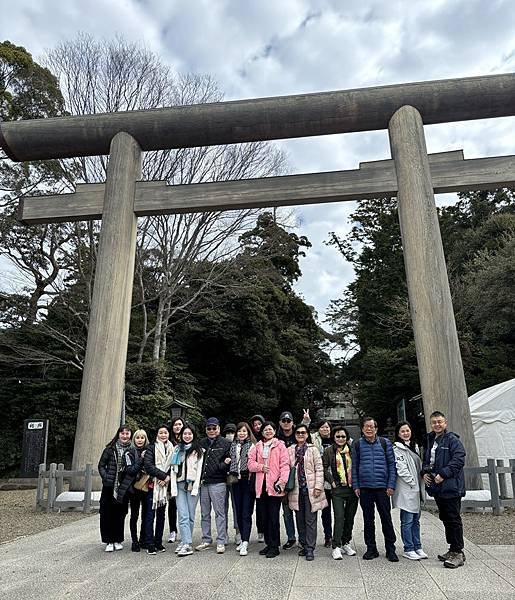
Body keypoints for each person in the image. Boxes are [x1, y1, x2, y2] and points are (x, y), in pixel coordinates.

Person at [422, 411, 466, 569]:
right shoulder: (430, 439)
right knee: (445, 517)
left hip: (451, 486)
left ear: (445, 423)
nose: (437, 425)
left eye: (439, 422)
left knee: (453, 518)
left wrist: (443, 474)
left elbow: (459, 459)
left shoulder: (452, 440)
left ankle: (458, 551)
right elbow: (427, 460)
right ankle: (452, 549)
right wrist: (424, 472)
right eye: (434, 422)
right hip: (438, 487)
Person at [352, 416, 398, 562]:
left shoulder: (385, 443)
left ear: (376, 429)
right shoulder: (358, 445)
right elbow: (354, 466)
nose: (369, 429)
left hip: (382, 488)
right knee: (368, 520)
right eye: (366, 426)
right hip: (365, 488)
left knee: (386, 519)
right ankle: (371, 548)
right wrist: (356, 485)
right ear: (362, 429)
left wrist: (391, 485)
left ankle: (391, 548)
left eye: (372, 426)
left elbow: (392, 465)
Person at [248, 420, 290, 558]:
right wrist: (260, 467)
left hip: (275, 486)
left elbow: (285, 465)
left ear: (274, 430)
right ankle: (268, 543)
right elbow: (250, 464)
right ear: (262, 432)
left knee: (273, 517)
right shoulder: (257, 446)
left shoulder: (280, 445)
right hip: (261, 486)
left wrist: (282, 482)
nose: (268, 431)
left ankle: (275, 545)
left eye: (270, 429)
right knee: (263, 516)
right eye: (266, 429)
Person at [287, 423, 327, 561]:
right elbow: (286, 468)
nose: (300, 435)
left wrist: (318, 486)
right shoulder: (290, 450)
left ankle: (310, 548)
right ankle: (303, 545)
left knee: (310, 520)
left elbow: (320, 469)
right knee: (299, 519)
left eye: (303, 433)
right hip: (296, 490)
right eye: (298, 433)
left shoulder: (313, 449)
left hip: (310, 489)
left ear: (307, 434)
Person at [392, 421, 428, 561]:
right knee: (407, 520)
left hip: (416, 488)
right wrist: (413, 483)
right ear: (398, 434)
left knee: (416, 520)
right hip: (408, 488)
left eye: (407, 430)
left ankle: (417, 546)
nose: (406, 433)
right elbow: (401, 469)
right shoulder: (397, 448)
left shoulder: (415, 446)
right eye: (403, 431)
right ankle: (408, 548)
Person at [196, 417, 232, 554]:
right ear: (206, 429)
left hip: (218, 482)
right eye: (209, 428)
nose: (211, 431)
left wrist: (222, 465)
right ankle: (206, 539)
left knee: (220, 513)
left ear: (219, 428)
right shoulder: (201, 443)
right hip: (204, 482)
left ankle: (221, 540)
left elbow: (229, 459)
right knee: (205, 513)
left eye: (214, 428)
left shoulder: (226, 443)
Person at [322, 425, 358, 560]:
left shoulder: (353, 450)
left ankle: (345, 542)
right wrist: (331, 481)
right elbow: (324, 467)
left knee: (350, 517)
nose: (341, 438)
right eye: (338, 436)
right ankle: (336, 545)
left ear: (347, 437)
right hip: (337, 489)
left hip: (352, 488)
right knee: (339, 517)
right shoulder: (329, 451)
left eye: (343, 436)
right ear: (333, 437)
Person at [169, 423, 205, 557]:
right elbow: (172, 469)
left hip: (192, 485)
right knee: (183, 515)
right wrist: (172, 487)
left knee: (190, 515)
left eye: (190, 433)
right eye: (185, 433)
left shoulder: (199, 451)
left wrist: (196, 487)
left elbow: (199, 470)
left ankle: (185, 542)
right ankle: (186, 543)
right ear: (181, 435)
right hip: (179, 484)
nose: (187, 436)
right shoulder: (177, 449)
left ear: (193, 435)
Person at [277, 409, 310, 549]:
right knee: (286, 511)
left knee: (299, 510)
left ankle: (303, 538)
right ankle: (291, 537)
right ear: (280, 422)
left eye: (288, 420)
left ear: (292, 422)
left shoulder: (297, 435)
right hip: (282, 477)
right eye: (283, 420)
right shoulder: (276, 437)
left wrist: (306, 421)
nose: (286, 423)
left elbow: (305, 433)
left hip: (297, 478)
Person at [98, 424, 132, 552]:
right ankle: (108, 541)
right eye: (122, 433)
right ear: (118, 434)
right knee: (106, 513)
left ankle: (118, 539)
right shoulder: (110, 449)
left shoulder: (132, 450)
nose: (125, 436)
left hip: (123, 487)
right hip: (109, 486)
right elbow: (101, 465)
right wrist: (106, 478)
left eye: (127, 433)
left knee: (120, 513)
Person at [143, 424, 174, 554]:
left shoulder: (173, 449)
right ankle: (149, 543)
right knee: (150, 515)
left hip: (165, 487)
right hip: (153, 485)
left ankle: (158, 542)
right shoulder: (151, 448)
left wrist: (168, 478)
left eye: (165, 433)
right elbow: (148, 466)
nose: (163, 435)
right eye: (161, 433)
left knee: (161, 515)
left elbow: (174, 465)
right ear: (157, 435)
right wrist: (164, 476)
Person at [228, 422, 256, 556]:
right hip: (235, 481)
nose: (242, 433)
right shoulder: (232, 446)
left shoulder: (252, 446)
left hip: (247, 481)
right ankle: (242, 538)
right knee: (238, 511)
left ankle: (245, 541)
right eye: (239, 431)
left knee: (246, 512)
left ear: (248, 432)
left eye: (244, 431)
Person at [124, 429, 149, 552]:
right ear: (134, 439)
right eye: (137, 437)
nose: (140, 440)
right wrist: (141, 459)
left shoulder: (149, 451)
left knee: (146, 515)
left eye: (142, 438)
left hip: (146, 487)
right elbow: (131, 470)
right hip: (133, 488)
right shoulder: (128, 452)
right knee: (134, 515)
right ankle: (134, 540)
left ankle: (143, 539)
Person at [311, 419, 333, 547]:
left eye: (327, 427)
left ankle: (338, 535)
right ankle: (328, 536)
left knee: (338, 510)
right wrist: (307, 421)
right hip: (320, 479)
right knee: (325, 510)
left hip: (335, 479)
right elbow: (303, 432)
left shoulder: (336, 438)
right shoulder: (314, 439)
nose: (325, 429)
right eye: (323, 427)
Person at [223, 422, 241, 545]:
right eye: (227, 433)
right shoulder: (221, 444)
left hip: (236, 479)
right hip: (222, 479)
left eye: (232, 432)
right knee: (222, 508)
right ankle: (223, 532)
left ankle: (238, 531)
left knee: (237, 506)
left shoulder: (239, 445)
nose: (230, 435)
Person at [167, 416, 184, 544]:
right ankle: (173, 530)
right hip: (170, 476)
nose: (178, 427)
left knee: (184, 506)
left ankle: (185, 531)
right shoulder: (168, 440)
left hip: (184, 476)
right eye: (175, 425)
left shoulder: (188, 438)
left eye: (180, 424)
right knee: (172, 505)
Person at [249, 413, 266, 542]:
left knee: (262, 506)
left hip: (265, 477)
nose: (257, 427)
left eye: (259, 424)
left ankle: (263, 530)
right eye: (255, 425)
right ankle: (256, 530)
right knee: (252, 506)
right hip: (252, 477)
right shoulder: (250, 440)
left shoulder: (268, 438)